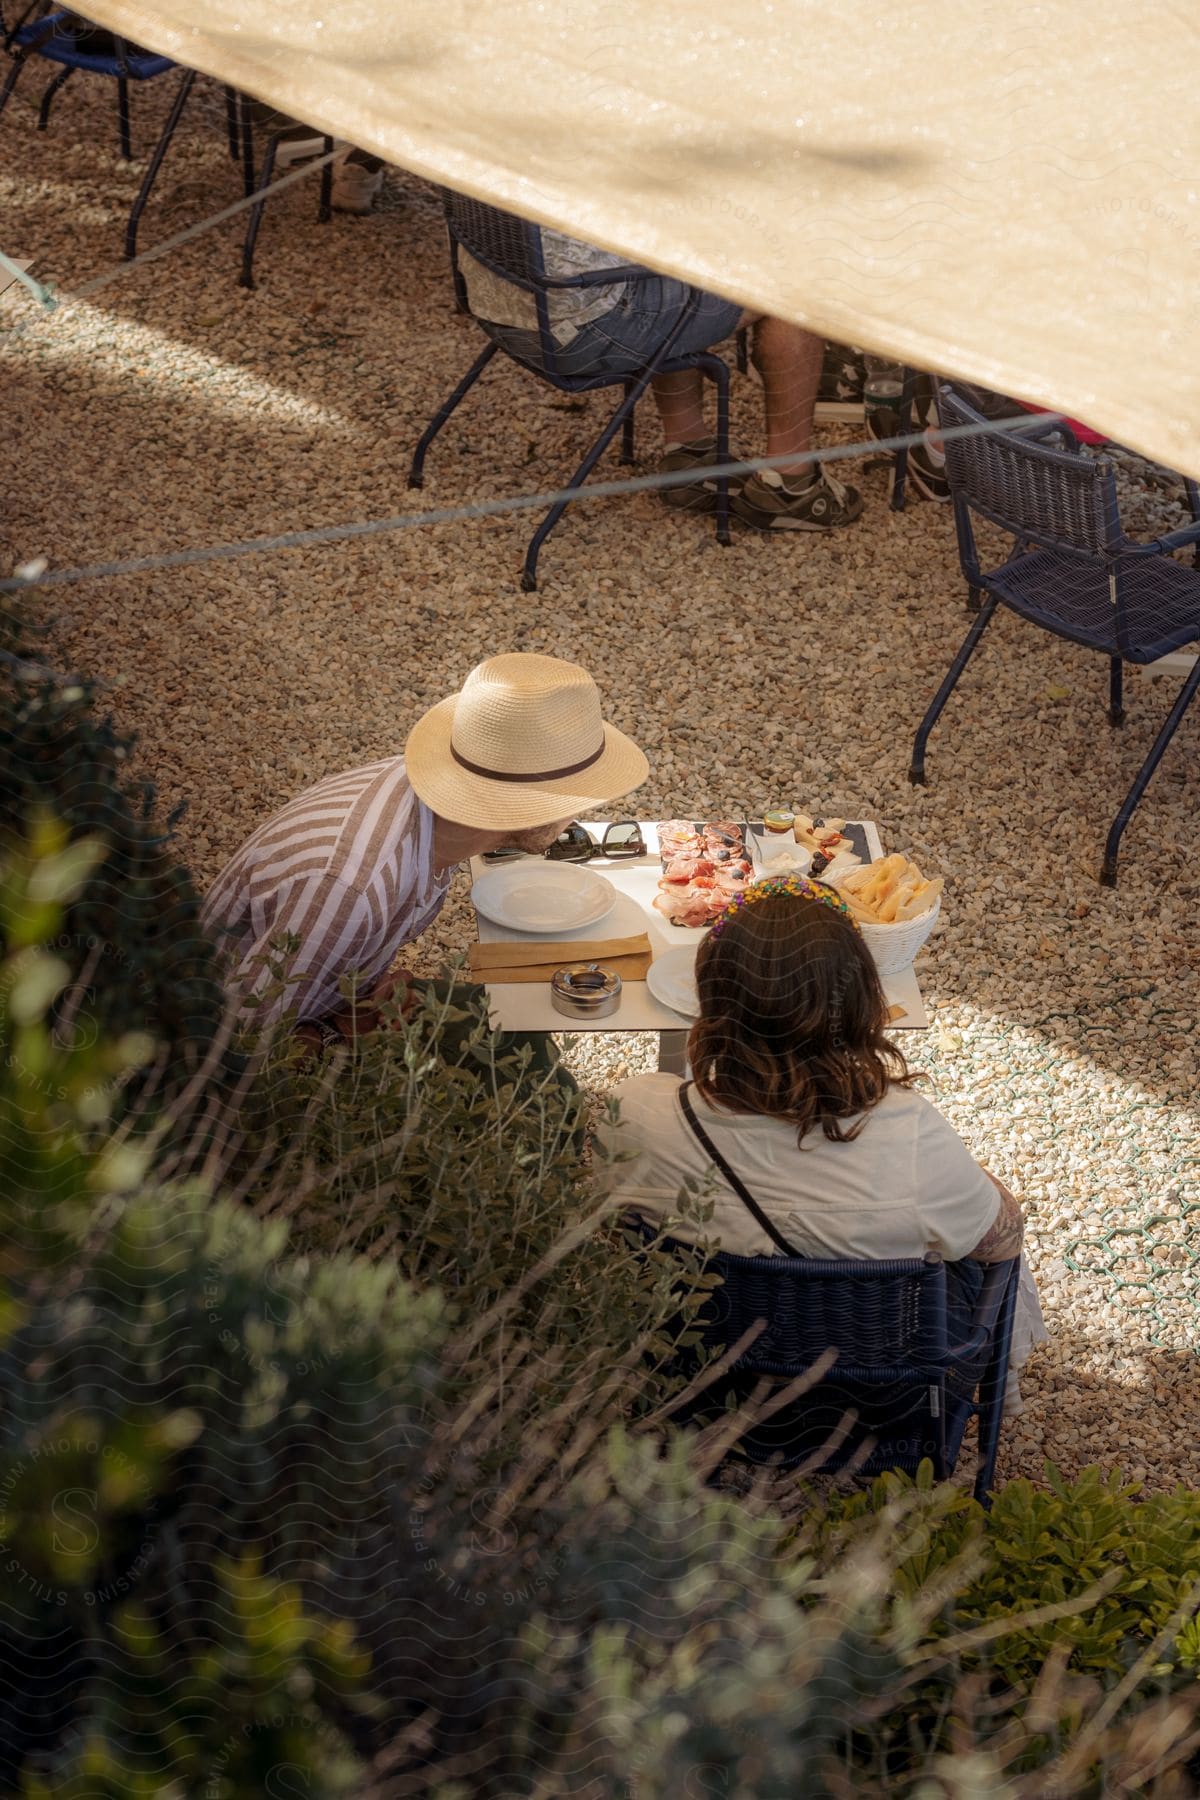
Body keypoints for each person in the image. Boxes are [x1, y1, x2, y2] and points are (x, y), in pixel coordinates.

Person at [595, 874, 1046, 1408]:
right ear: (856, 1003)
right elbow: (1003, 1239)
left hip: (701, 1389)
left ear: (711, 997)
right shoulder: (910, 1136)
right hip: (874, 1402)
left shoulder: (636, 1114)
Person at [201, 653, 649, 1058]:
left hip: (324, 1000)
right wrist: (340, 1034)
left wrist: (368, 982)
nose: (586, 809)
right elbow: (235, 1046)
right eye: (575, 796)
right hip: (228, 1057)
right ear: (514, 804)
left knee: (521, 1019)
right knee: (541, 1095)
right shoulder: (353, 888)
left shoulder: (422, 810)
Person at [455, 228, 863, 533]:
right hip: (579, 326)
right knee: (798, 284)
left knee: (679, 244)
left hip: (503, 304)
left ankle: (690, 452)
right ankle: (790, 481)